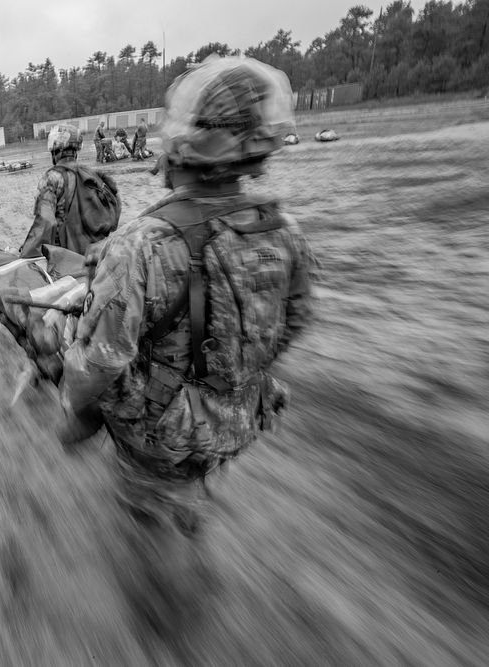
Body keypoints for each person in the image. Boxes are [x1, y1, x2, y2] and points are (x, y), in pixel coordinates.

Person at [58, 57, 314, 537]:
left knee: (146, 510)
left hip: (164, 430)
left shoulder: (141, 244)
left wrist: (72, 408)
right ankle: (188, 507)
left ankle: (166, 574)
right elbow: (295, 321)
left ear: (181, 142)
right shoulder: (285, 230)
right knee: (189, 481)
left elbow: (101, 361)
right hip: (245, 414)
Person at [18, 123, 121, 259]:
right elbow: (114, 211)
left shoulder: (51, 178)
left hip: (66, 259)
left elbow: (45, 222)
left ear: (55, 150)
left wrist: (26, 254)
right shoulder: (93, 175)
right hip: (96, 256)